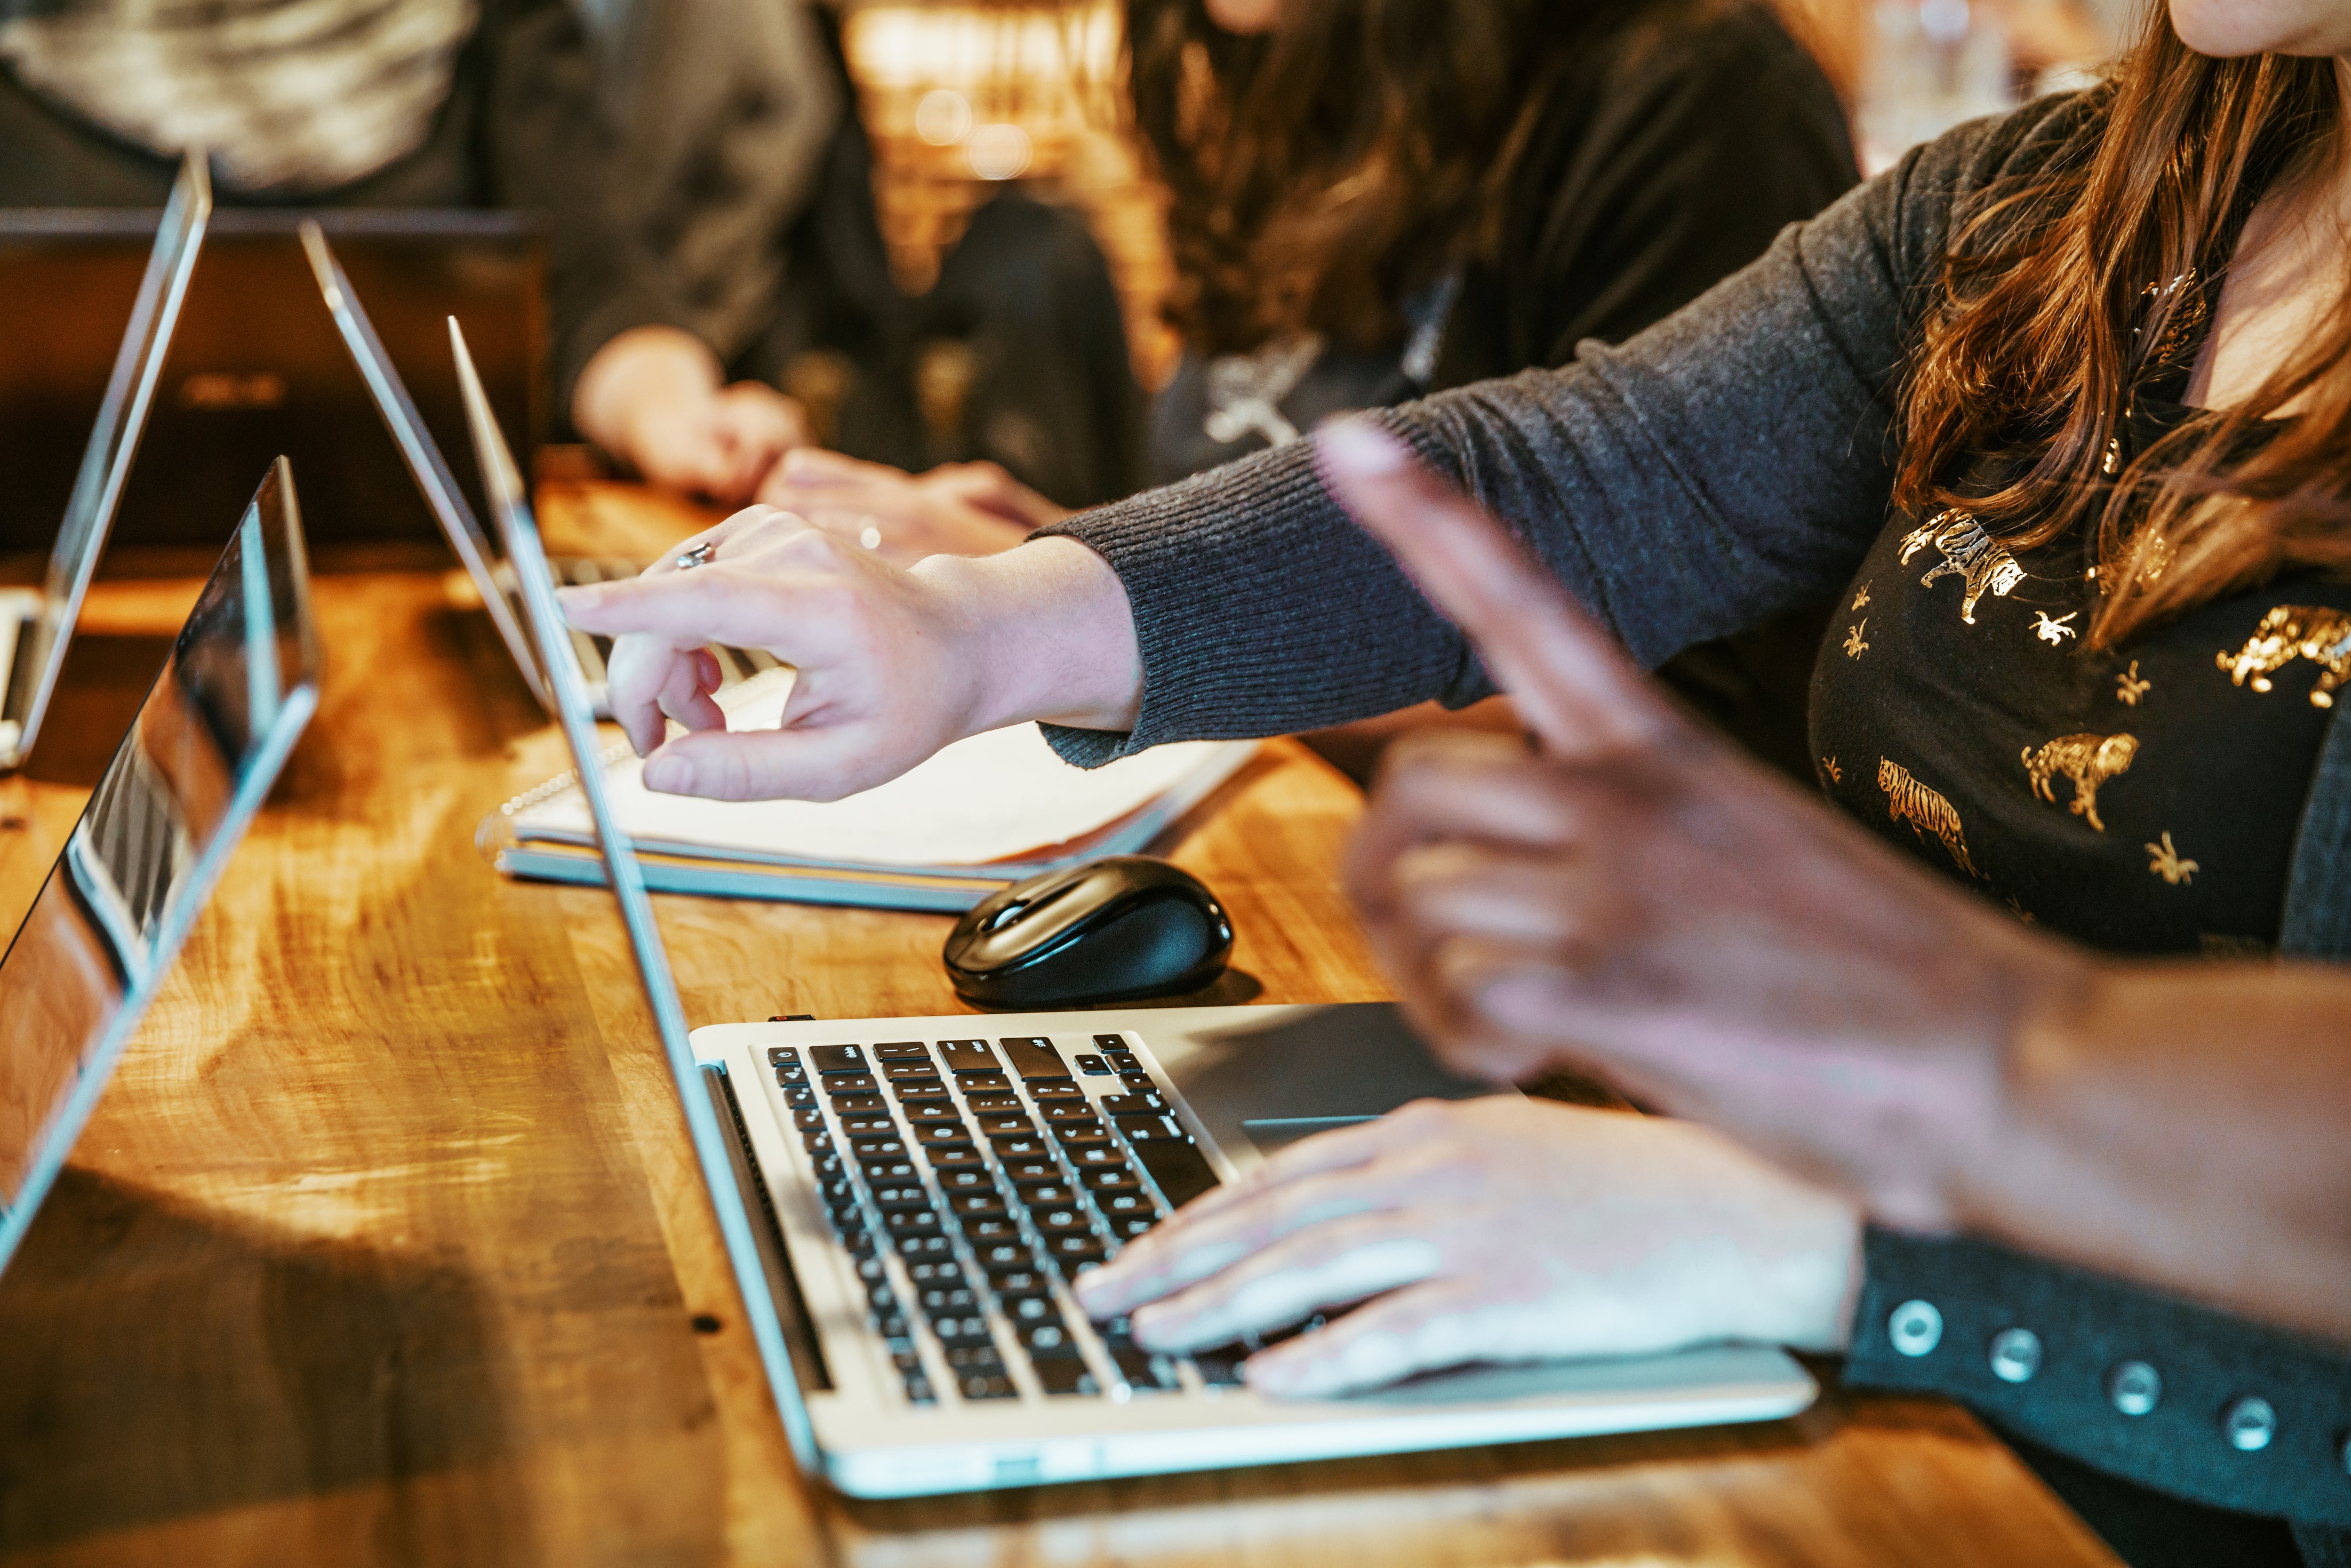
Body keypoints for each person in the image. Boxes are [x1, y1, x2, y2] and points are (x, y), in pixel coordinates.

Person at [558, 0, 2351, 1561]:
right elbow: (1584, 472)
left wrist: (1833, 1246)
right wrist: (981, 628)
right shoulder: (2062, 197)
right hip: (1752, 1286)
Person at [755, 0, 1857, 779]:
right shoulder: (1302, 68)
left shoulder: (1696, 100)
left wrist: (1070, 632)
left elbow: (1654, 729)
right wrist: (1056, 571)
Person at [0, 0, 839, 503]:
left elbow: (586, 286)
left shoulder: (486, 18)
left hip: (433, 595)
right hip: (54, 605)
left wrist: (677, 415)